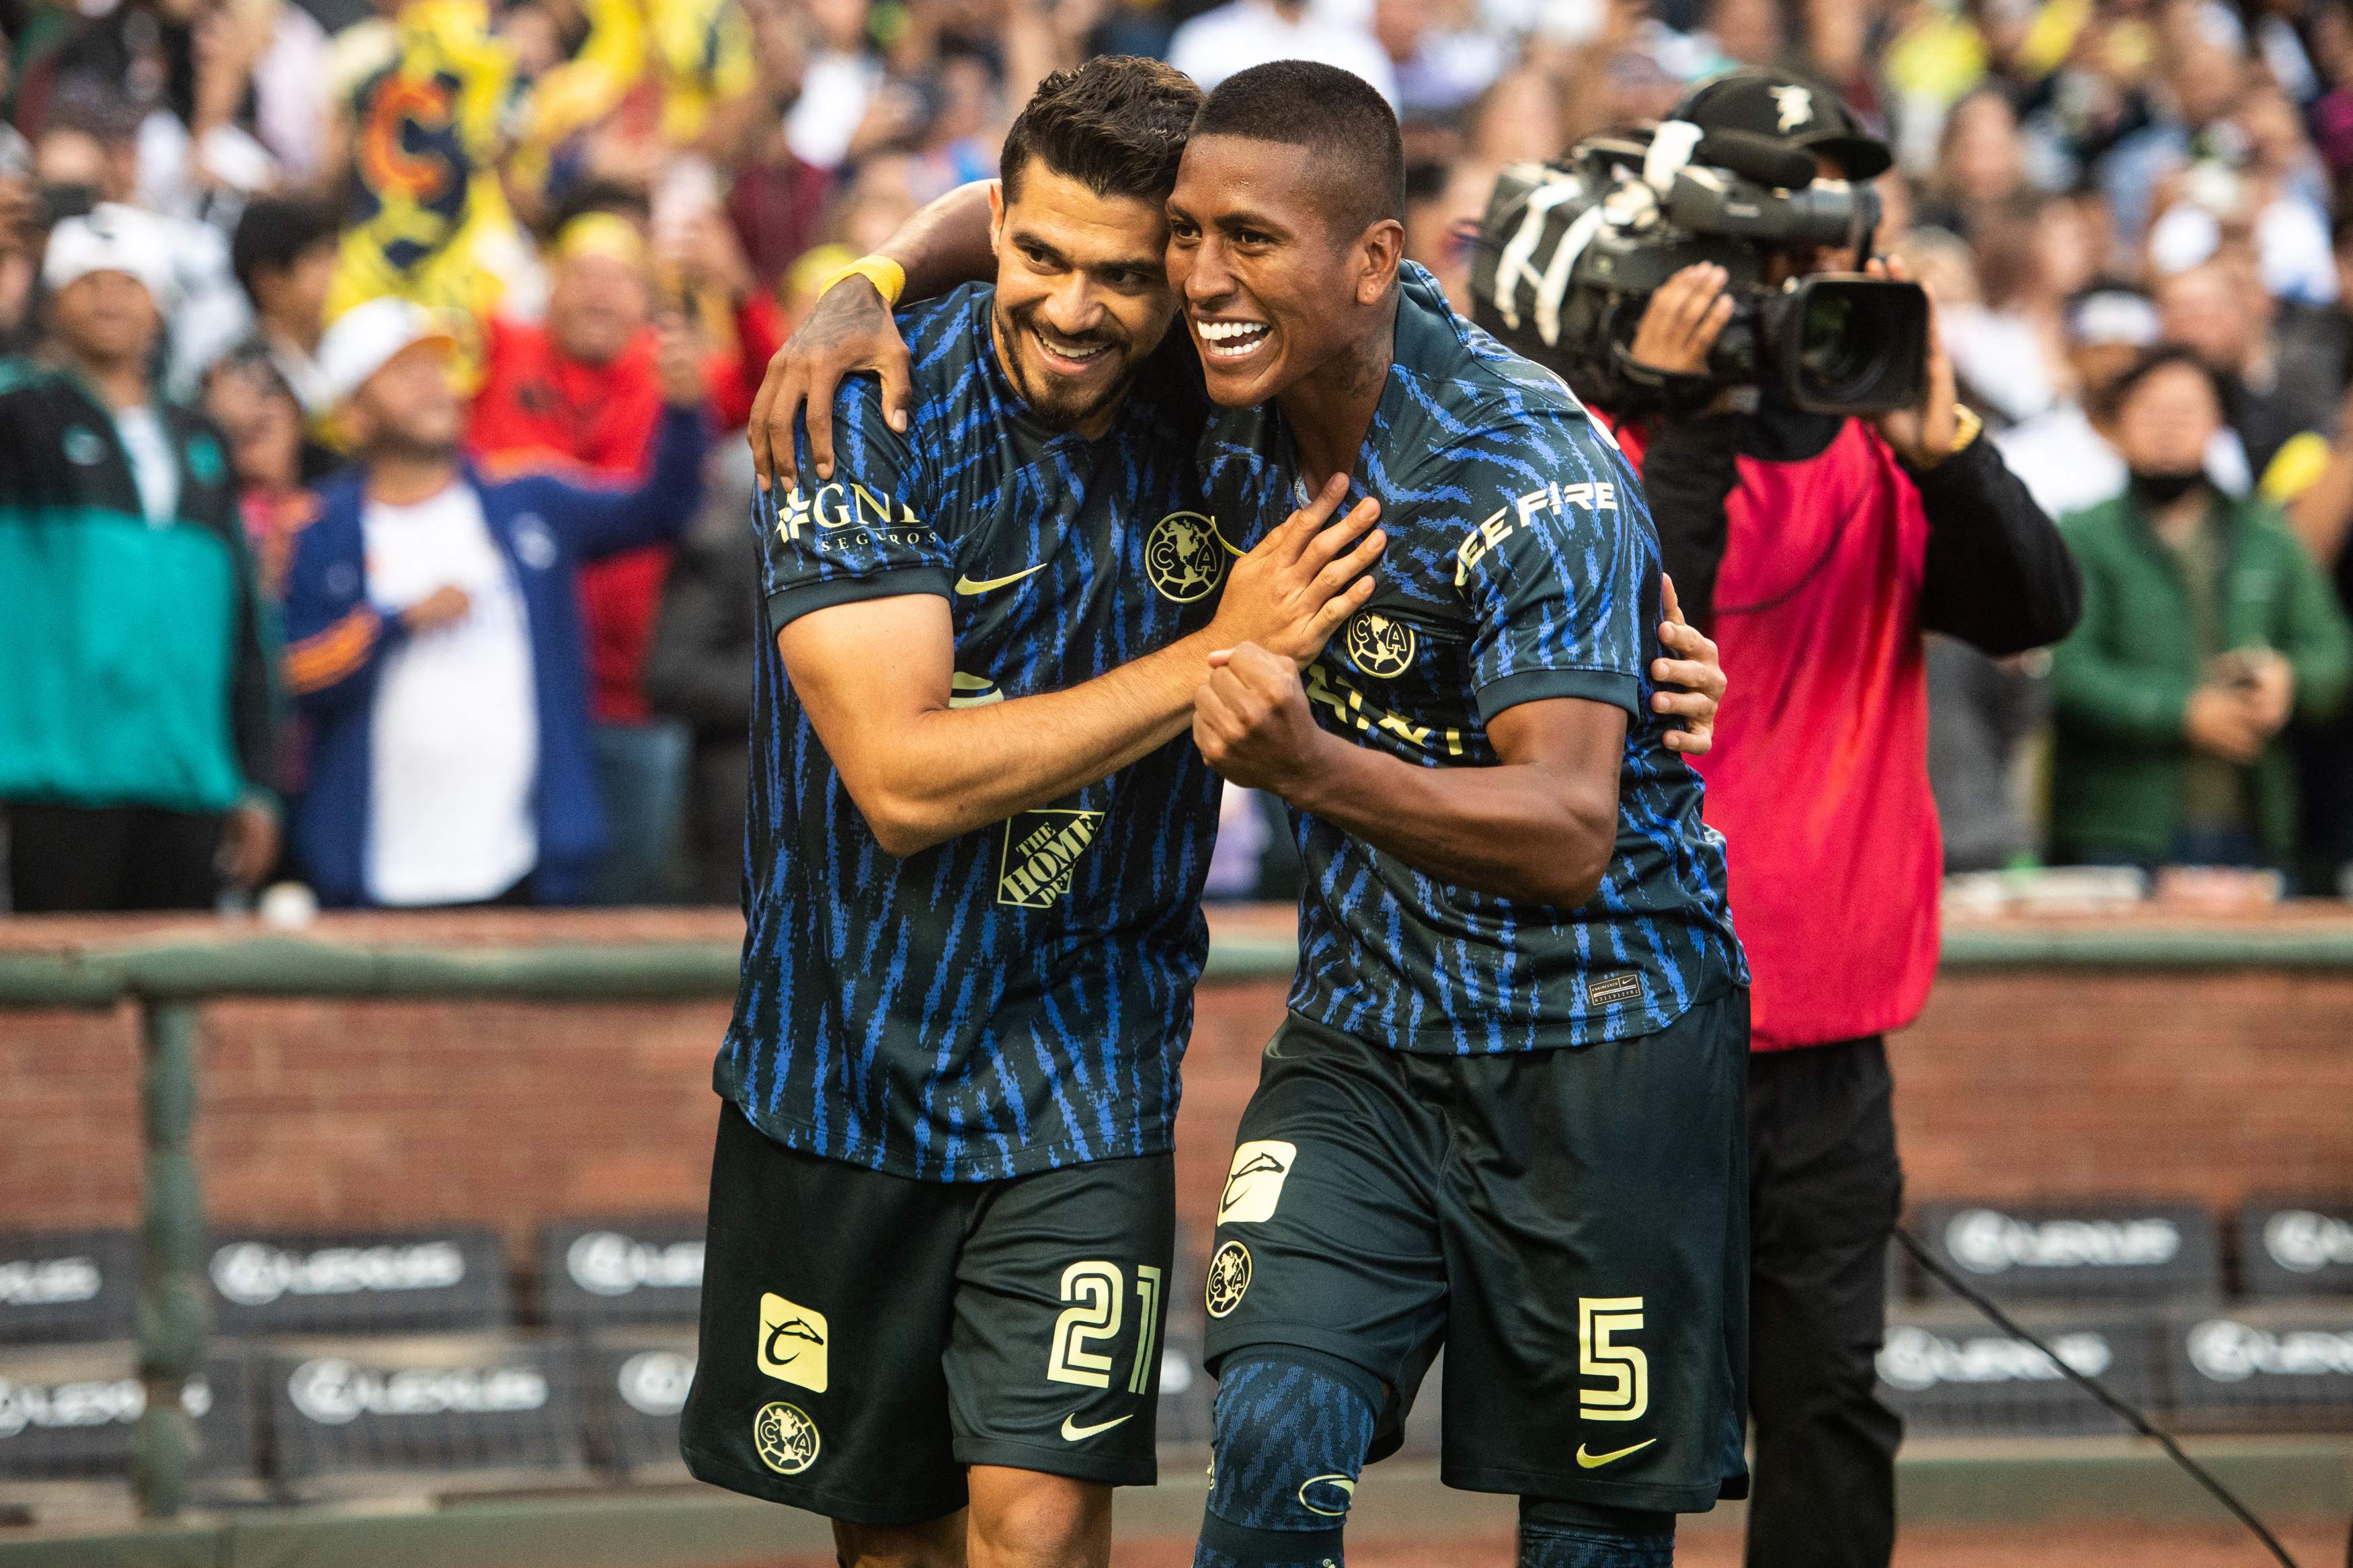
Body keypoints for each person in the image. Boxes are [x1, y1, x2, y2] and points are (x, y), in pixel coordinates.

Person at [680, 57, 1402, 1568]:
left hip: (1082, 1062)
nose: (1076, 308)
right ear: (998, 224)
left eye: (1128, 277)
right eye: (1041, 256)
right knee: (898, 1547)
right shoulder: (854, 407)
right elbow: (899, 777)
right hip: (840, 1065)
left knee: (1039, 1526)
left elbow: (1445, 386)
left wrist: (1631, 625)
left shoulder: (1212, 397)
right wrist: (1218, 651)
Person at [1166, 64, 1746, 1568]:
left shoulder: (1527, 470)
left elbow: (1567, 826)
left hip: (1600, 1044)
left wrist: (1305, 768)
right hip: (1365, 1039)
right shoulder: (1231, 373)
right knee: (1274, 1417)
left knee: (1587, 1537)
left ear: (1373, 259)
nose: (1200, 280)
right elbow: (1042, 206)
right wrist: (868, 280)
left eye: (1247, 240)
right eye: (1187, 235)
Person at [1601, 67, 2083, 1568]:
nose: (1794, 289)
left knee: (1825, 1404)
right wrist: (1686, 421)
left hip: (1823, 1052)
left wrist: (1947, 444)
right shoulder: (1607, 438)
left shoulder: (1891, 443)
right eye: (1768, 256)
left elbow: (2032, 608)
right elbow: (1619, 669)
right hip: (1633, 1027)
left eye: (1822, 253)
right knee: (1616, 1425)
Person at [277, 296, 708, 908]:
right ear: (352, 415)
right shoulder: (317, 528)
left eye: (436, 368)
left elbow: (659, 511)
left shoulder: (526, 498)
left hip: (526, 863)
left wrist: (684, 410)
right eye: (403, 373)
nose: (433, 387)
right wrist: (394, 624)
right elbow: (292, 674)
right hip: (371, 870)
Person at [467, 200, 783, 903]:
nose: (599, 293)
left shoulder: (673, 371)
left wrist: (736, 292)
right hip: (508, 692)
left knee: (630, 896)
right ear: (547, 288)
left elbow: (775, 386)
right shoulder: (497, 353)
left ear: (645, 297)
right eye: (581, 274)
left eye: (619, 278)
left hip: (637, 694)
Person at [0, 204, 278, 912]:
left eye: (130, 280)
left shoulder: (200, 439)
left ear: (160, 303)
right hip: (52, 774)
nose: (110, 296)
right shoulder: (21, 414)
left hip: (186, 774)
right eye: (87, 280)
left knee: (179, 998)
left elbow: (245, 621)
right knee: (61, 1002)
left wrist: (257, 780)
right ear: (51, 299)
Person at [2048, 345, 2352, 870]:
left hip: (2254, 823)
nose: (2168, 430)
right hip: (2117, 828)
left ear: (2219, 424)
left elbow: (2332, 653)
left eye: (2186, 412)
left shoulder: (2267, 537)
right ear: (2115, 426)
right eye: (2150, 411)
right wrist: (2185, 712)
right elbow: (2070, 673)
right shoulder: (2081, 536)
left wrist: (2288, 681)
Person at [230, 195, 342, 417]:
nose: (338, 274)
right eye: (319, 261)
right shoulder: (245, 380)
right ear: (271, 283)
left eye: (336, 258)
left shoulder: (342, 350)